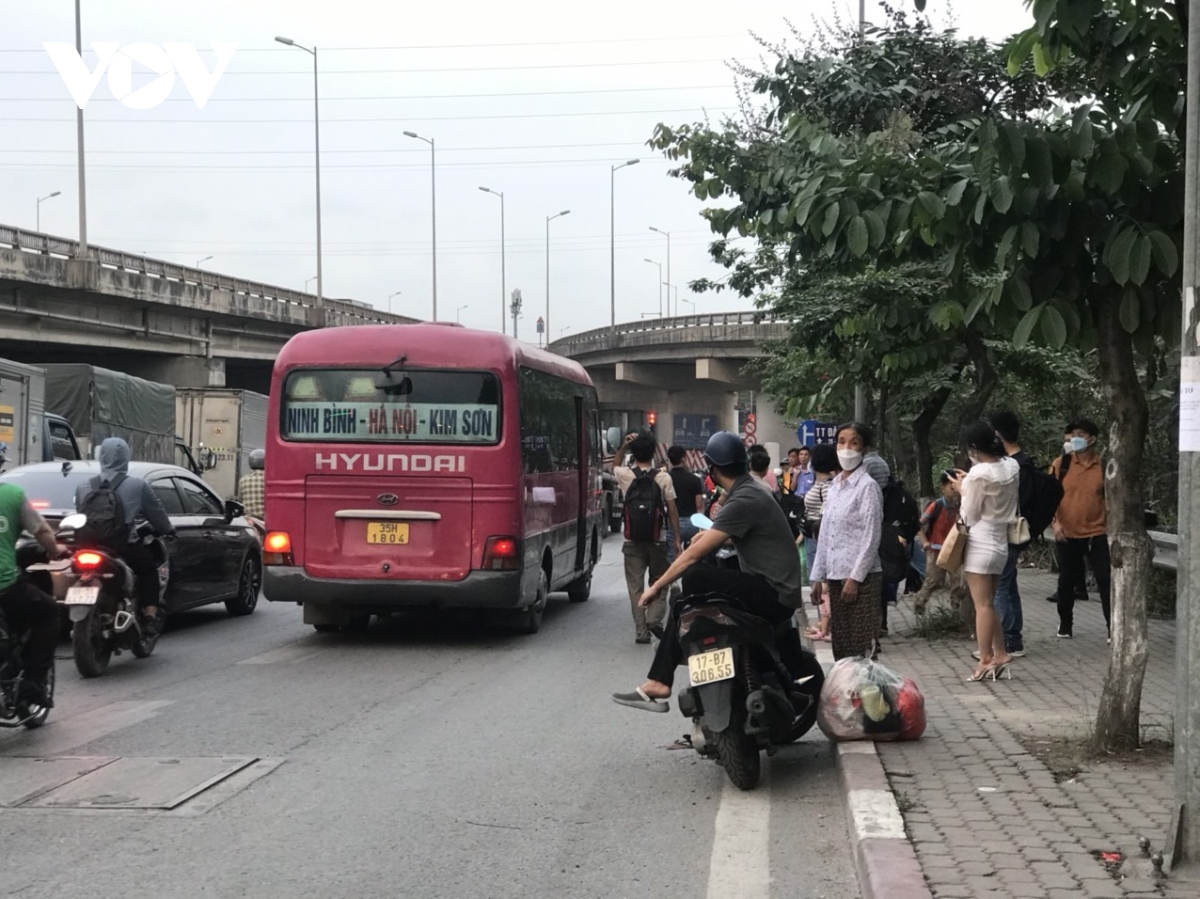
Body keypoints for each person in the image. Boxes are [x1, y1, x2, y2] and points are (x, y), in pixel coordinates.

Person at [611, 431, 810, 711]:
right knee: (688, 595)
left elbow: (693, 554)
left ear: (712, 469)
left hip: (774, 594)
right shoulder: (748, 490)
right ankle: (672, 658)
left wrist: (656, 587)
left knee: (693, 576)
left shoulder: (744, 497)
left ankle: (663, 673)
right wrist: (700, 539)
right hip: (771, 588)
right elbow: (720, 534)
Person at [74, 437, 176, 636]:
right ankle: (148, 617)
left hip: (87, 547)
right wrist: (168, 530)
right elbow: (157, 515)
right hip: (121, 547)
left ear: (101, 456)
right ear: (125, 458)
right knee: (148, 571)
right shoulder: (137, 486)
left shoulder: (83, 486)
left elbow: (81, 513)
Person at [948, 422, 1019, 681]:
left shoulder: (978, 474)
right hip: (1000, 540)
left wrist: (961, 489)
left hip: (980, 542)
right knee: (990, 602)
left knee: (983, 605)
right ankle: (1001, 653)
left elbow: (971, 513)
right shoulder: (1011, 466)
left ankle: (985, 658)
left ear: (974, 448)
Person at [810, 422, 884, 660]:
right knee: (841, 648)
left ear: (864, 448)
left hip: (861, 580)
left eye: (854, 442)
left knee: (861, 649)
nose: (847, 448)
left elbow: (871, 537)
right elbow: (825, 534)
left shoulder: (867, 488)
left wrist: (855, 578)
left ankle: (867, 696)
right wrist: (817, 578)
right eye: (842, 441)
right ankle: (845, 696)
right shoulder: (834, 487)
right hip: (834, 577)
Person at [0, 481, 66, 706]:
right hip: (4, 587)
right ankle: (33, 683)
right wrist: (54, 550)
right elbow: (42, 530)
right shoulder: (12, 495)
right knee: (48, 612)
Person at [613, 432, 681, 644]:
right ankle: (654, 619)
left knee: (635, 588)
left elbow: (613, 465)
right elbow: (672, 510)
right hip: (657, 540)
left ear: (634, 453)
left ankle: (641, 632)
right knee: (660, 582)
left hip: (632, 542)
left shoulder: (626, 475)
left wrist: (624, 446)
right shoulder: (663, 477)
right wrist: (676, 537)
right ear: (653, 453)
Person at [1050, 419, 1111, 639]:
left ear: (1092, 439)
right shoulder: (1061, 464)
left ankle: (1112, 629)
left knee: (1106, 581)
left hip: (1097, 532)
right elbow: (1050, 498)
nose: (1075, 438)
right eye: (1073, 434)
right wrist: (1056, 524)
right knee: (1066, 581)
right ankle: (1065, 623)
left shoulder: (1103, 466)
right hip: (1067, 533)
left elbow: (1110, 499)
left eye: (1081, 434)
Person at [988, 411, 1031, 657]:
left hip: (1005, 532)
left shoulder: (1014, 466)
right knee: (1009, 584)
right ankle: (1013, 637)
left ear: (997, 434)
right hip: (1014, 532)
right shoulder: (1023, 462)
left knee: (1001, 587)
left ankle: (1006, 641)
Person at [1044, 426, 1089, 607]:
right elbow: (1049, 492)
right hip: (1065, 523)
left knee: (1077, 560)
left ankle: (1079, 588)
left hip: (1090, 524)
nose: (1071, 443)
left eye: (1076, 438)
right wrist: (1055, 522)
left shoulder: (1097, 465)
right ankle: (1070, 594)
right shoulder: (1060, 464)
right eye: (1069, 440)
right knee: (1069, 563)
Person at [912, 472, 963, 617]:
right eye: (950, 488)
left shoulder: (961, 506)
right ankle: (919, 605)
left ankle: (956, 613)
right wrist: (925, 542)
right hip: (936, 549)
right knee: (933, 579)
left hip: (954, 550)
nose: (954, 492)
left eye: (956, 488)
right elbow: (919, 525)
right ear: (943, 488)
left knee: (957, 582)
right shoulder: (936, 506)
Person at [802, 443, 838, 641]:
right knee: (816, 580)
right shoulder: (820, 482)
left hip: (819, 537)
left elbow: (826, 513)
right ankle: (822, 622)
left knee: (821, 583)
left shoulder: (827, 486)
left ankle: (827, 624)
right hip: (812, 535)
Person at [664, 445, 705, 566]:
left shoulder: (666, 479)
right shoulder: (694, 480)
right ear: (683, 458)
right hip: (691, 523)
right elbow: (699, 506)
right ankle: (689, 577)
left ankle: (673, 581)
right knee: (692, 555)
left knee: (671, 554)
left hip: (672, 523)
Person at [237, 448, 266, 520]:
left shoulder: (243, 480)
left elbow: (240, 500)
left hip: (249, 520)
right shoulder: (269, 480)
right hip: (265, 520)